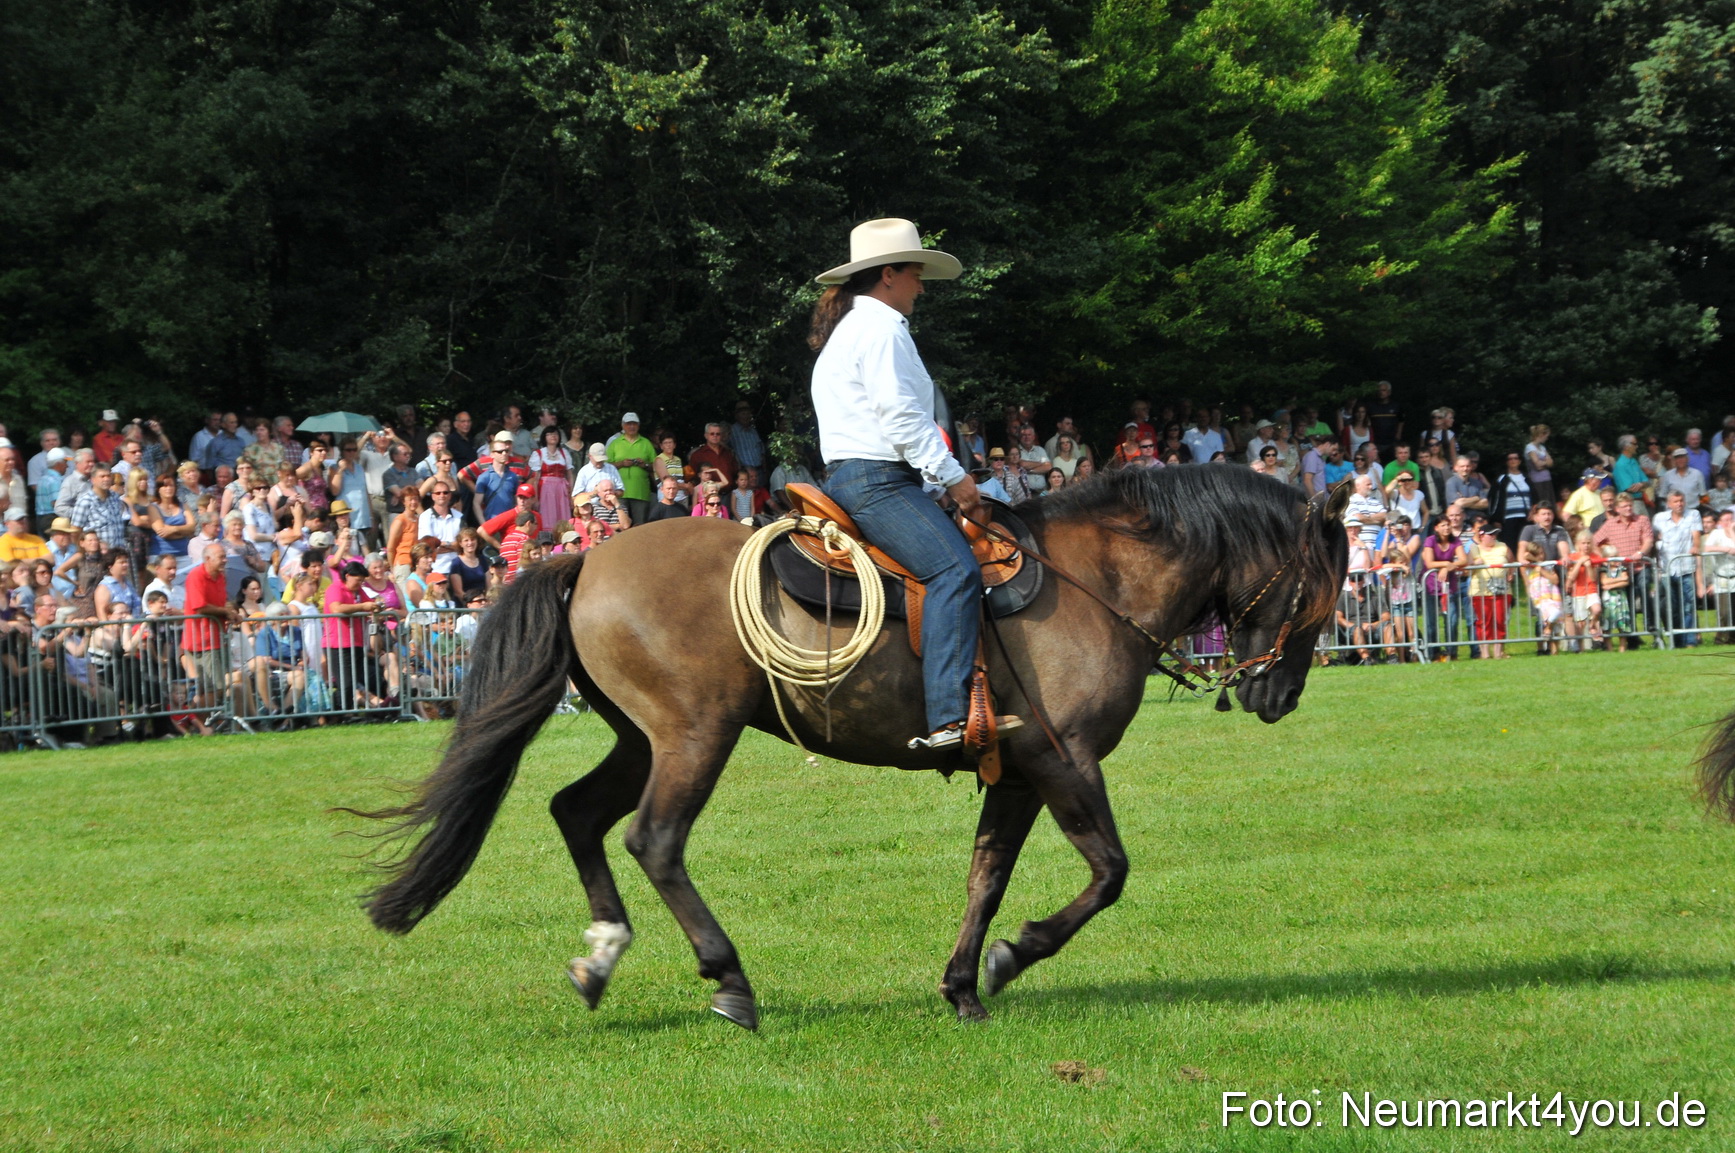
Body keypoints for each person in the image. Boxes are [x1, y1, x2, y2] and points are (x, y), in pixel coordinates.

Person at [808, 217, 1017, 751]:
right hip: (877, 480)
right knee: (954, 569)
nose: (922, 287)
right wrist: (955, 479)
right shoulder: (880, 329)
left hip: (872, 475)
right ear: (888, 276)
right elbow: (902, 420)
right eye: (916, 274)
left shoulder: (852, 328)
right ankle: (948, 718)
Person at [1653, 489, 1703, 645]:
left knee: (1689, 605)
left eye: (1681, 500)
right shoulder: (1659, 518)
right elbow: (1653, 538)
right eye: (1675, 501)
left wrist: (1695, 546)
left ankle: (1689, 641)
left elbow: (1696, 536)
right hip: (1666, 570)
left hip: (1686, 568)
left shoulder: (1693, 514)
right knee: (1671, 607)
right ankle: (1676, 640)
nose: (1679, 504)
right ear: (1669, 504)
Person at [1467, 522, 1512, 659]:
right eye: (1490, 534)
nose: (1494, 537)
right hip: (1480, 591)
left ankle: (1498, 652)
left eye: (1495, 534)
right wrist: (1474, 563)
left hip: (1502, 590)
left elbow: (1512, 560)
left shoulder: (1503, 546)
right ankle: (1485, 653)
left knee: (1499, 620)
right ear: (1482, 536)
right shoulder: (1474, 549)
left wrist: (1510, 574)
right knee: (1484, 622)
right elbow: (1467, 565)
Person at [605, 413, 656, 527]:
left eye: (634, 424)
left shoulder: (646, 443)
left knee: (641, 527)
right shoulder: (615, 443)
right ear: (623, 426)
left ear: (638, 425)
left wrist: (645, 465)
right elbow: (606, 466)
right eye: (629, 424)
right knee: (621, 526)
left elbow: (656, 465)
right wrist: (621, 463)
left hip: (641, 492)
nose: (631, 426)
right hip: (619, 493)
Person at [529, 425, 574, 530]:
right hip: (545, 489)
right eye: (550, 434)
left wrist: (571, 495)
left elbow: (570, 476)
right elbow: (535, 479)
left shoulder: (564, 453)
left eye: (555, 434)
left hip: (561, 489)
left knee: (562, 515)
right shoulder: (539, 454)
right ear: (544, 437)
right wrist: (535, 498)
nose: (553, 436)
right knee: (548, 515)